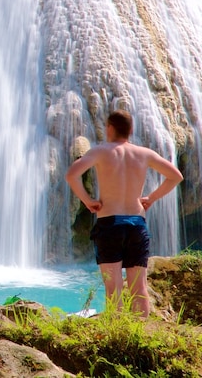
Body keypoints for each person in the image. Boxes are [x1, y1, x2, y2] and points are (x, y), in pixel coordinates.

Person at [65, 109, 183, 317]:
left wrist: (88, 201)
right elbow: (175, 176)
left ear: (110, 128)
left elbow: (72, 175)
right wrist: (151, 198)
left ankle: (116, 335)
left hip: (110, 223)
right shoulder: (144, 153)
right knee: (139, 288)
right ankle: (141, 335)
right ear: (131, 130)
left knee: (114, 289)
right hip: (137, 223)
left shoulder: (100, 151)